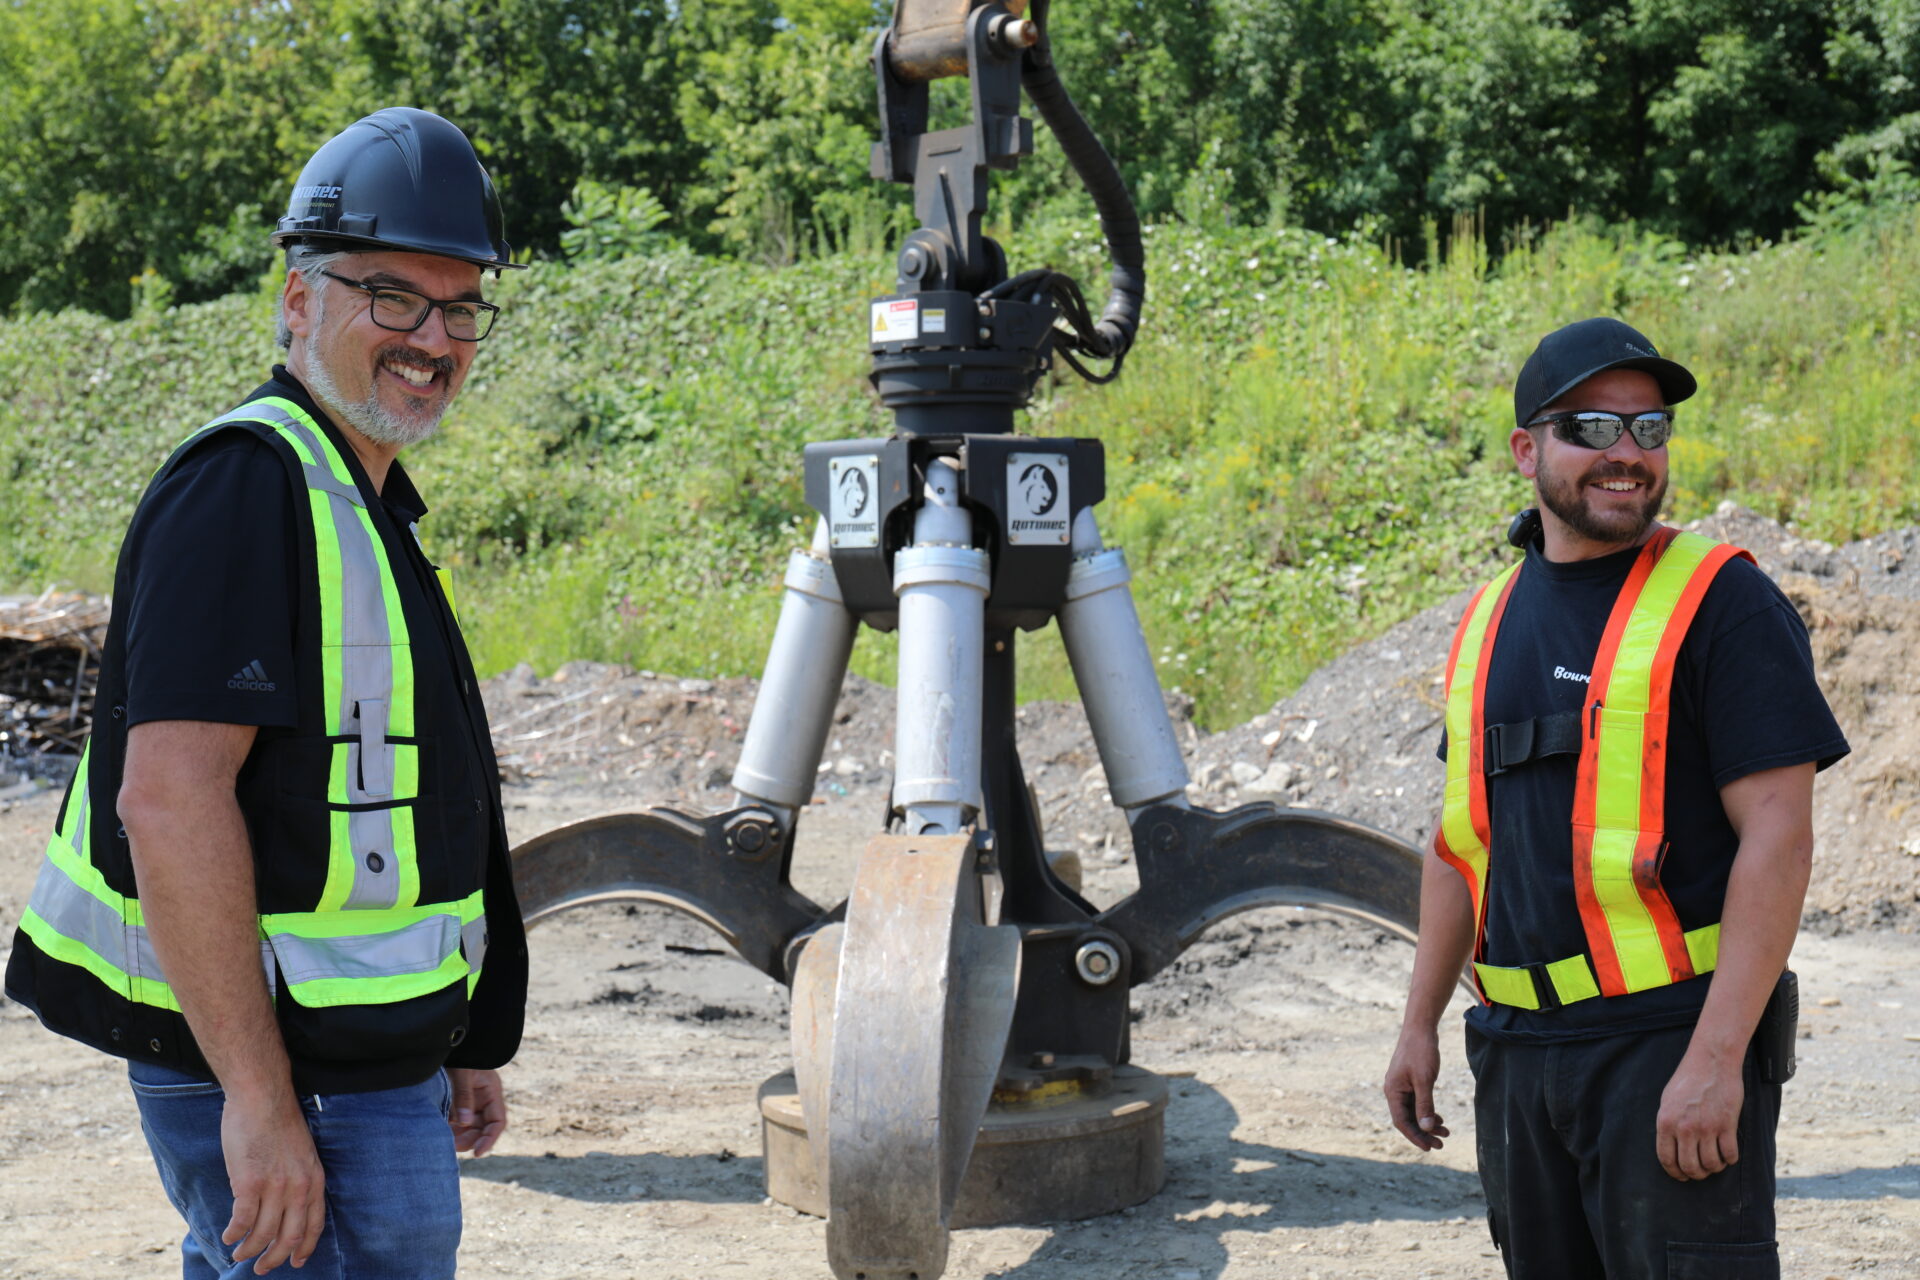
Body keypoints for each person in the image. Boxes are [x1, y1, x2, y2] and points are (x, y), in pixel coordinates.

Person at [5, 107, 530, 1278]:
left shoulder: (359, 495)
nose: (432, 336)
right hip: (276, 1066)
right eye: (391, 296)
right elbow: (172, 800)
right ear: (298, 302)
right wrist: (254, 1095)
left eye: (458, 306)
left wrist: (456, 1032)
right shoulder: (245, 489)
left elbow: (395, 803)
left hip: (369, 1062)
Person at [1381, 317, 1848, 1278]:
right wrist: (1419, 1022)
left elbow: (1778, 836)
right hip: (1514, 1052)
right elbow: (1461, 844)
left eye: (1649, 429)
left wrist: (1718, 1059)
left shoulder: (1723, 602)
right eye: (1591, 429)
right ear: (1527, 451)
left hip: (1664, 1046)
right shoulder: (1485, 622)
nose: (1626, 454)